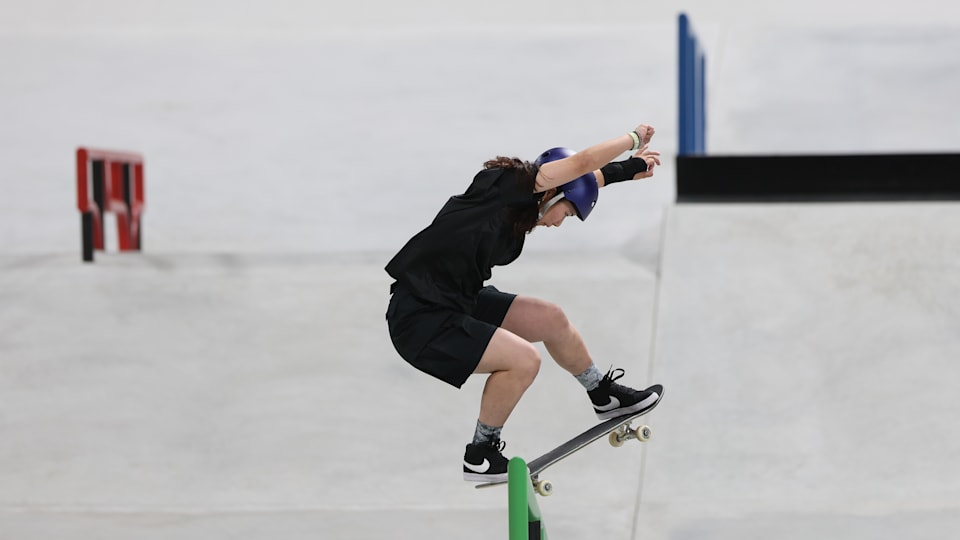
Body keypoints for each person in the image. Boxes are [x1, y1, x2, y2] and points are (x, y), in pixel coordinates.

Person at [385, 124, 664, 482]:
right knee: (523, 360)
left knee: (550, 319)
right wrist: (634, 139)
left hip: (457, 299)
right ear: (552, 193)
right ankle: (481, 453)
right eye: (567, 214)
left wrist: (626, 170)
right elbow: (581, 164)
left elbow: (580, 178)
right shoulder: (506, 185)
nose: (560, 224)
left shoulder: (526, 204)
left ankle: (602, 396)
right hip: (420, 316)